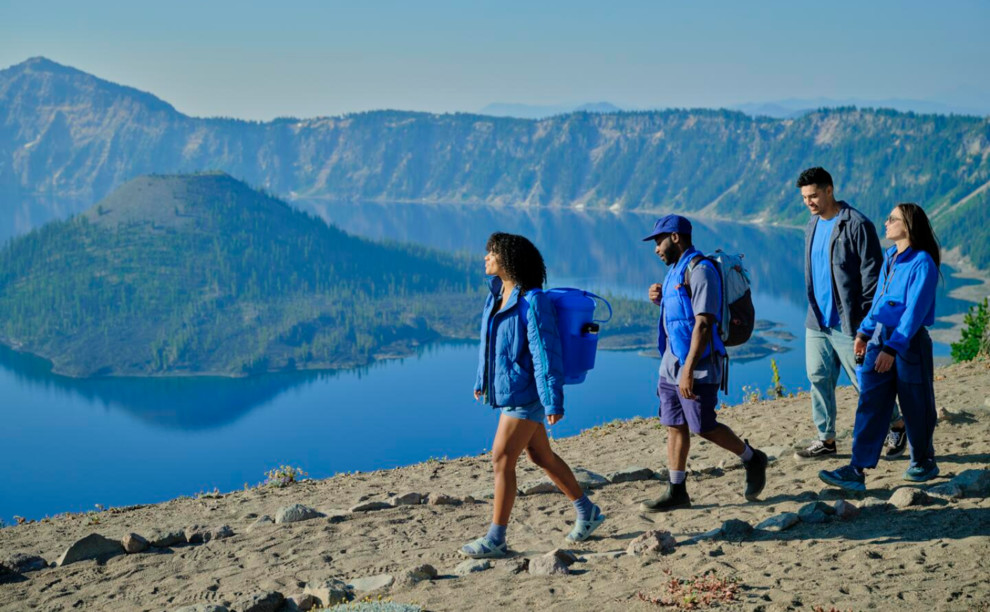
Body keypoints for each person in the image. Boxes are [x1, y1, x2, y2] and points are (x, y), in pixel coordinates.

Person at [461, 232, 605, 558]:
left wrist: (552, 399)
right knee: (540, 456)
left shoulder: (533, 300)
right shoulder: (496, 295)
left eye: (491, 253)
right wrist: (481, 380)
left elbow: (545, 353)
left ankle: (496, 539)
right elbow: (490, 346)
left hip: (526, 394)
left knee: (501, 459)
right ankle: (588, 512)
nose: (486, 258)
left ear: (508, 259)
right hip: (512, 389)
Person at [639, 215, 767, 512]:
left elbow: (704, 323)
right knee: (674, 425)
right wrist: (658, 298)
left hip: (698, 365)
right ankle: (677, 490)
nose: (656, 248)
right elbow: (680, 312)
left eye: (658, 241)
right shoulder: (674, 271)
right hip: (670, 365)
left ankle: (752, 458)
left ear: (675, 237)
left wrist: (688, 369)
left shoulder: (702, 270)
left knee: (703, 425)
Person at [819, 203, 942, 490]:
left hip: (908, 343)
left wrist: (893, 348)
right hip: (879, 339)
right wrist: (864, 331)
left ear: (908, 226)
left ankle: (923, 461)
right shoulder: (890, 257)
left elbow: (913, 312)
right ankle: (856, 469)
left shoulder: (922, 263)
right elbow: (879, 300)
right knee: (870, 403)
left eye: (893, 219)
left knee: (916, 405)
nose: (886, 223)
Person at [796, 167, 907, 460]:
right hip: (817, 320)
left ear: (830, 190)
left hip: (849, 323)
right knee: (818, 377)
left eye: (814, 195)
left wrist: (866, 327)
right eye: (805, 197)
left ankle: (896, 424)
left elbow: (873, 280)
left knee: (864, 382)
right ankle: (826, 440)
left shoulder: (857, 224)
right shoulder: (811, 224)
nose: (809, 202)